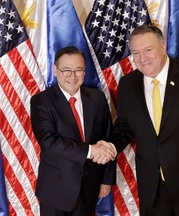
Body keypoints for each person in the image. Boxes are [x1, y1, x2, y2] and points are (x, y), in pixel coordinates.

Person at [95, 25, 179, 215]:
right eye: (136, 53)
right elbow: (125, 127)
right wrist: (110, 146)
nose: (142, 58)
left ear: (163, 46)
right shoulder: (128, 84)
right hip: (152, 189)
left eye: (148, 50)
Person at [30, 46, 116, 216]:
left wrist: (106, 180)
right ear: (55, 70)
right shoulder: (42, 101)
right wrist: (91, 151)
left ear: (85, 71)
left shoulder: (97, 98)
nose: (73, 76)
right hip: (56, 190)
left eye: (78, 70)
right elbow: (49, 142)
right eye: (66, 70)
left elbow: (108, 137)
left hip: (89, 186)